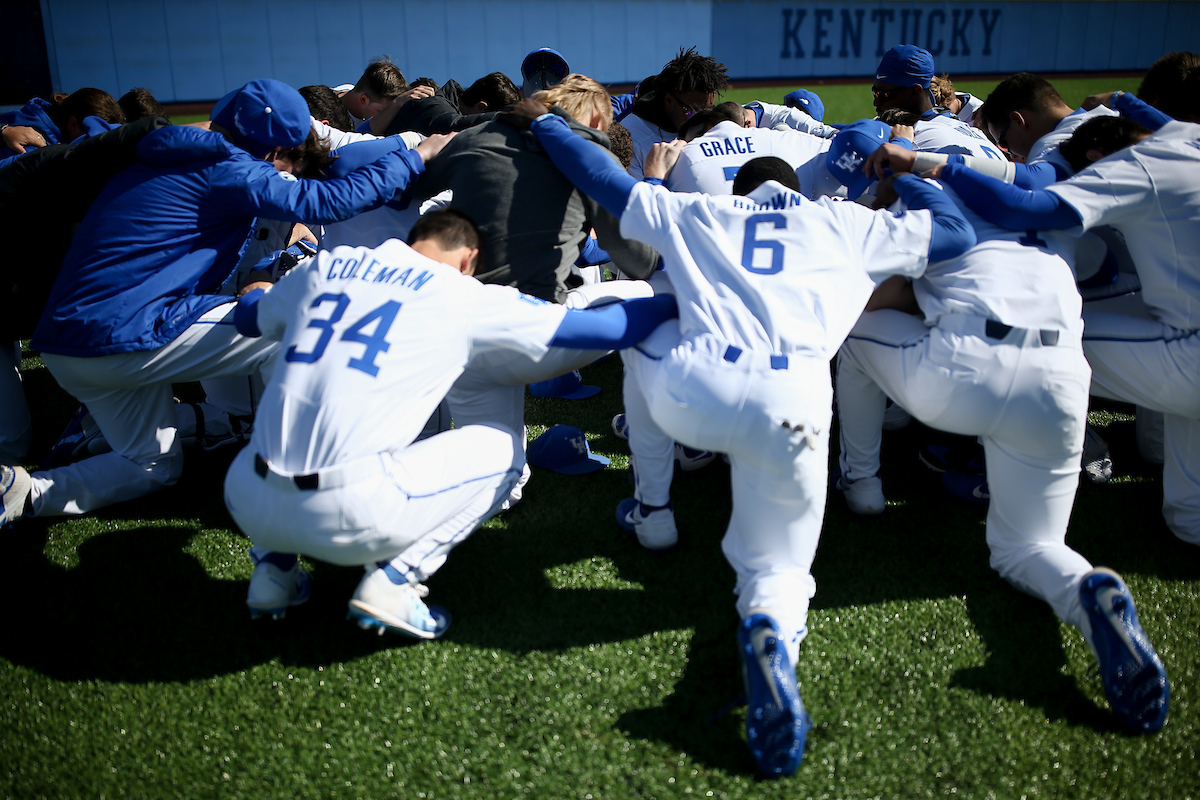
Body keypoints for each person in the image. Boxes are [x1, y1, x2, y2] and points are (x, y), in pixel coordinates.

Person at [500, 97, 976, 777]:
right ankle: (770, 633)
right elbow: (954, 234)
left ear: (742, 189)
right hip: (800, 403)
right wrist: (917, 170)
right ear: (795, 188)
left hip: (701, 390)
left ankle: (655, 511)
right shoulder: (844, 222)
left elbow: (602, 179)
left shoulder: (706, 210)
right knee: (780, 570)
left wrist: (544, 123)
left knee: (642, 331)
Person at [0, 79, 448, 524]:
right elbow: (332, 200)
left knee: (151, 468)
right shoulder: (226, 166)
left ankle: (22, 494)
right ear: (277, 147)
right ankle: (293, 475)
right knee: (293, 326)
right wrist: (418, 155)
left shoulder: (171, 150)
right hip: (118, 332)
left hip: (68, 346)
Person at [223, 208, 679, 634]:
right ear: (470, 259)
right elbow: (599, 330)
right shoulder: (458, 293)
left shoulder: (329, 265)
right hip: (347, 513)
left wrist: (258, 289)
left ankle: (274, 571)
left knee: (297, 426)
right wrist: (673, 301)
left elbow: (248, 318)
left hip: (243, 495)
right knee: (504, 453)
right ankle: (395, 582)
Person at [833, 170, 1170, 734]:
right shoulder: (1045, 220)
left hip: (962, 370)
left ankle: (862, 484)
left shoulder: (928, 218)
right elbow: (1103, 268)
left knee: (856, 336)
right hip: (1062, 382)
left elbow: (876, 298)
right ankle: (1087, 588)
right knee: (1029, 546)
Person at [935, 118, 1200, 551]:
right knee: (1188, 516)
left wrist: (944, 169)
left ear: (1095, 157)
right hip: (1183, 339)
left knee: (1031, 335)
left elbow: (1023, 207)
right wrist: (1119, 102)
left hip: (1192, 356)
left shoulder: (1134, 164)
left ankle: (1019, 462)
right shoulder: (1184, 132)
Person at [870, 45, 1005, 161]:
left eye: (884, 95)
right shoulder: (969, 129)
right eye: (875, 93)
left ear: (914, 91)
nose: (876, 102)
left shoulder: (918, 138)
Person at [622, 47, 729, 178]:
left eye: (708, 111)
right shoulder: (631, 138)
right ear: (669, 100)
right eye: (692, 112)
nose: (703, 121)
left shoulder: (717, 125)